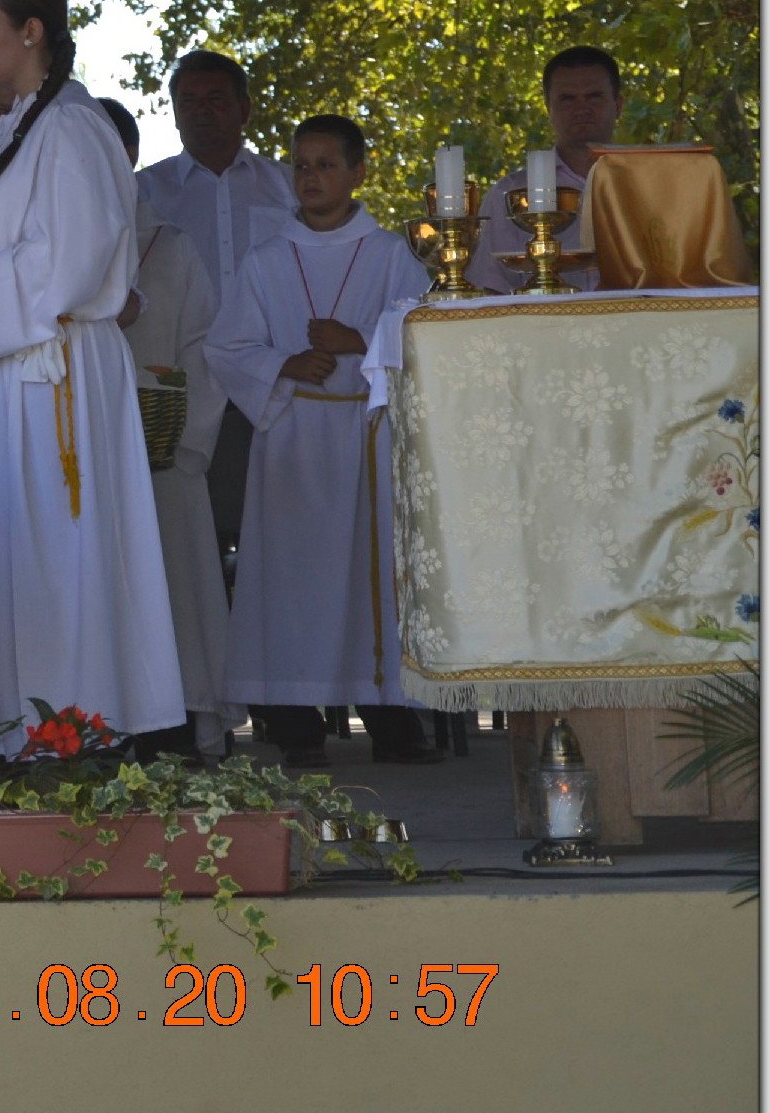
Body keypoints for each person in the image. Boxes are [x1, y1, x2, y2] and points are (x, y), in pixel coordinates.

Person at [0, 0, 182, 736]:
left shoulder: (72, 127)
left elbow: (72, 261)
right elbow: (4, 252)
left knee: (56, 549)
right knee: (2, 545)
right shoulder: (11, 130)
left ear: (31, 31)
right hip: (3, 371)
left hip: (54, 371)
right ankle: (5, 726)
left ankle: (70, 724)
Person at [210, 116, 438, 765]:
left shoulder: (389, 253)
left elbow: (426, 333)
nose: (310, 177)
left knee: (371, 579)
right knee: (289, 583)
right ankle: (295, 723)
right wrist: (283, 363)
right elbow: (226, 345)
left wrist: (357, 340)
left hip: (367, 438)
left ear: (358, 172)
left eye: (325, 164)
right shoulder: (266, 259)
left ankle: (389, 718)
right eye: (301, 165)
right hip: (292, 439)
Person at [99, 99, 233, 761]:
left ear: (128, 155)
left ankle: (179, 720)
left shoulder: (169, 245)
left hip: (161, 450)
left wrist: (184, 442)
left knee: (173, 582)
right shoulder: (40, 242)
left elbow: (204, 346)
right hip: (79, 456)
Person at [136, 50, 295, 582]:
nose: (202, 111)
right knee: (188, 554)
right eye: (189, 101)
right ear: (175, 112)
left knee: (278, 549)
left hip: (273, 389)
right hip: (179, 397)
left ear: (245, 109)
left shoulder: (288, 187)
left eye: (216, 99)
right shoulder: (144, 194)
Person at [465, 45, 621, 294]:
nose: (581, 108)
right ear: (549, 108)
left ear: (618, 104)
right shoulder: (510, 194)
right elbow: (488, 285)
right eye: (567, 99)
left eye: (594, 96)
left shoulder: (648, 186)